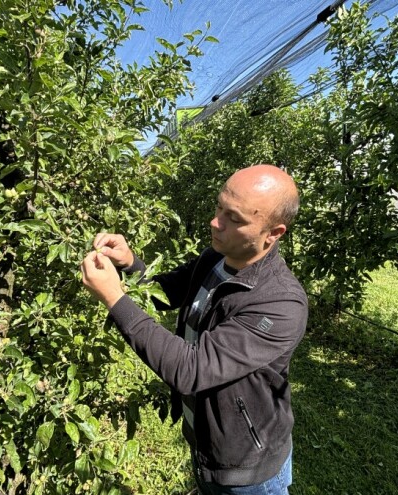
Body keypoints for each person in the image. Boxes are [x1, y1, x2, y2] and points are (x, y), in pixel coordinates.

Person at [80, 164, 308, 494]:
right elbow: (165, 293)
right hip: (206, 442)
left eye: (235, 218)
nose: (216, 222)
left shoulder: (280, 304)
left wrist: (114, 297)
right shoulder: (215, 258)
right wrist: (129, 263)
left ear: (273, 233)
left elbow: (191, 369)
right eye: (219, 207)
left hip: (246, 467)